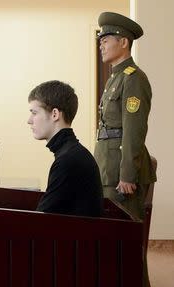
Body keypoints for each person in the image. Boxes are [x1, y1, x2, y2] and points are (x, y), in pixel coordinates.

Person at [94, 12, 156, 287]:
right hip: (108, 168)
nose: (101, 44)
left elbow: (133, 129)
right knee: (112, 241)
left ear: (123, 42)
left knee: (127, 243)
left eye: (106, 39)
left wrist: (128, 174)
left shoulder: (133, 78)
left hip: (122, 173)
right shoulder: (115, 77)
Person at [27, 80, 103, 217]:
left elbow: (40, 219)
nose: (29, 120)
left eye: (34, 113)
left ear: (55, 114)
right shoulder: (71, 152)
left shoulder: (68, 160)